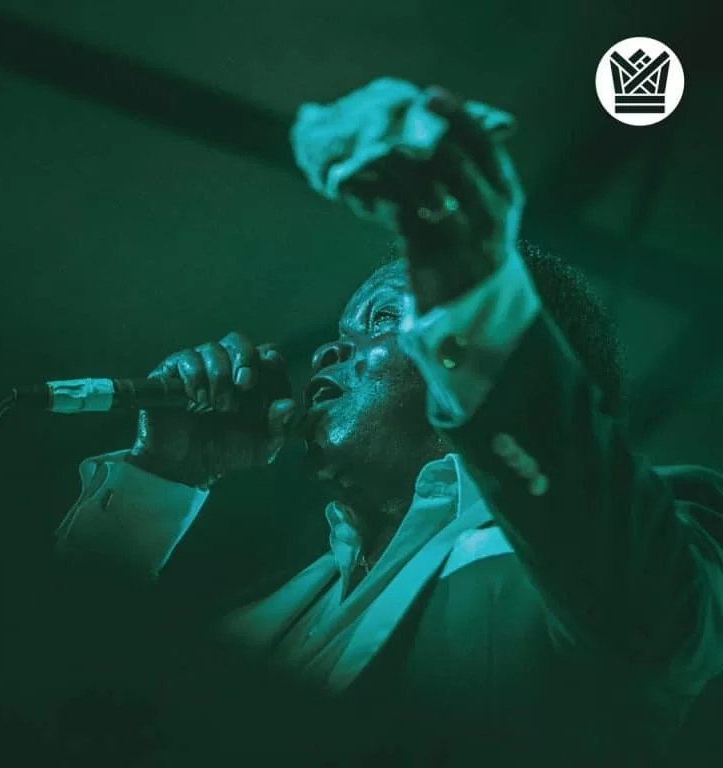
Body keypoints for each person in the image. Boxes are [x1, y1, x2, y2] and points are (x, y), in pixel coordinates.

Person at [55, 79, 723, 765]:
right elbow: (47, 707)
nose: (328, 351)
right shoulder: (258, 611)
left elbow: (643, 606)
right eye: (342, 331)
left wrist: (473, 285)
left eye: (379, 319)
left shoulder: (639, 535)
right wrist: (161, 480)